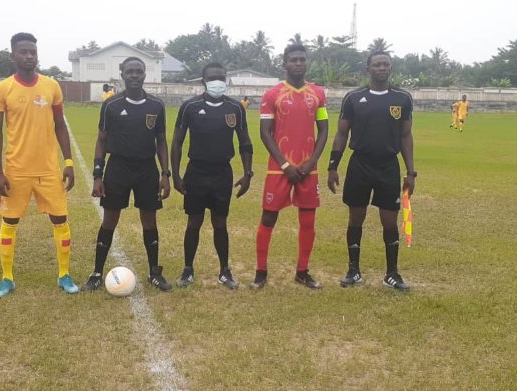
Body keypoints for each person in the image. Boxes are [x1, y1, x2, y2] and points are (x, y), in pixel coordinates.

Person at [0, 32, 78, 298]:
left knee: (60, 219)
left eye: (32, 52)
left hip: (49, 169)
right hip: (16, 170)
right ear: (13, 55)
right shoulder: (2, 89)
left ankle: (64, 274)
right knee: (10, 221)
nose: (29, 56)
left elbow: (60, 125)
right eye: (23, 52)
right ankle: (7, 278)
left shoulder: (51, 86)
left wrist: (69, 162)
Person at [81, 56, 173, 292]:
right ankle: (97, 273)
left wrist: (165, 174)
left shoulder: (156, 105)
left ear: (145, 75)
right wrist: (98, 175)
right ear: (122, 74)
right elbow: (101, 140)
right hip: (118, 168)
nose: (134, 75)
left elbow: (161, 141)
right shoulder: (111, 105)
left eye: (138, 71)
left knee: (149, 220)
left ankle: (154, 272)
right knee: (109, 220)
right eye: (130, 71)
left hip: (146, 169)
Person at [327, 51, 416, 291]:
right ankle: (353, 270)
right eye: (376, 64)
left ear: (391, 68)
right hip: (360, 164)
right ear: (368, 69)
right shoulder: (354, 98)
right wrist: (332, 166)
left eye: (386, 64)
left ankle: (392, 274)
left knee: (389, 220)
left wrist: (411, 172)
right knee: (356, 217)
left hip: (388, 165)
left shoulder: (402, 98)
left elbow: (406, 136)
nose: (381, 68)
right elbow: (341, 133)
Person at [250, 44, 329, 290]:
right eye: (293, 60)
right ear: (284, 63)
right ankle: (261, 272)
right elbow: (265, 133)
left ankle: (302, 272)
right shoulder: (272, 94)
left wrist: (311, 162)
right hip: (279, 168)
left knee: (308, 221)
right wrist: (285, 164)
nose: (297, 63)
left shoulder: (318, 93)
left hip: (308, 168)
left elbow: (324, 129)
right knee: (268, 217)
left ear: (306, 63)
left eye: (301, 59)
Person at [171, 62, 253, 289]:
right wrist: (176, 175)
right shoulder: (190, 107)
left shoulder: (236, 108)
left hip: (221, 173)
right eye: (213, 78)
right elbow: (177, 142)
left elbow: (245, 142)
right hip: (196, 172)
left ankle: (225, 271)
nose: (218, 81)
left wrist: (248, 174)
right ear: (203, 81)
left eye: (221, 77)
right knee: (194, 221)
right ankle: (187, 269)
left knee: (220, 222)